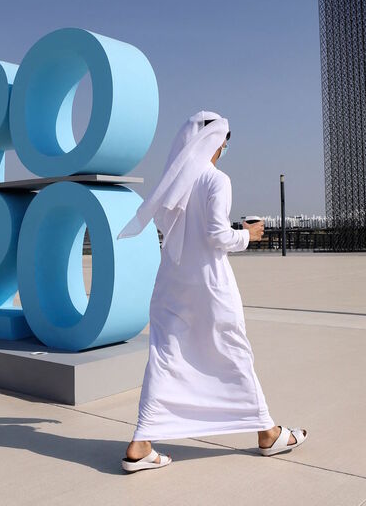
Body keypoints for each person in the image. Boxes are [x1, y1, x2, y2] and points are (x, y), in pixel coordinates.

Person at [117, 112, 306, 472]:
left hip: (172, 282)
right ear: (217, 142)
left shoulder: (177, 182)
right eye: (226, 143)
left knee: (165, 355)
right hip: (210, 285)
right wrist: (247, 235)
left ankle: (141, 441)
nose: (224, 149)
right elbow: (217, 237)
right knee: (234, 350)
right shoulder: (216, 180)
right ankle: (267, 432)